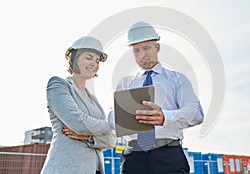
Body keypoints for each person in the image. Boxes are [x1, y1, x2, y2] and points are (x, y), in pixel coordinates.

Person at [111, 21, 204, 174]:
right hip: (133, 157)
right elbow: (111, 117)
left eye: (146, 48)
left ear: (157, 47)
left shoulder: (177, 79)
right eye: (136, 50)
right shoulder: (125, 84)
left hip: (168, 156)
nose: (142, 55)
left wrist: (165, 117)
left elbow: (196, 113)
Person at [41, 36, 116, 174]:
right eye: (89, 57)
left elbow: (111, 140)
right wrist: (109, 126)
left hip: (95, 169)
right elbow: (78, 122)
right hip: (67, 168)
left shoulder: (93, 99)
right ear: (74, 58)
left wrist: (88, 137)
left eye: (97, 60)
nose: (94, 63)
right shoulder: (58, 85)